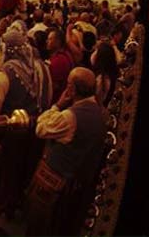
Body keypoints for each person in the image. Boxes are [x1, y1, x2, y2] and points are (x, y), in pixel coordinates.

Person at [27, 67, 108, 236]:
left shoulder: (70, 116)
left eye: (69, 84)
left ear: (72, 89)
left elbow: (41, 129)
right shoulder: (100, 113)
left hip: (54, 183)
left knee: (39, 226)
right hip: (77, 184)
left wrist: (57, 105)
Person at [0, 29, 52, 218]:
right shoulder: (43, 68)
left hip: (11, 132)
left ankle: (5, 206)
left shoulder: (4, 74)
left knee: (8, 171)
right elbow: (48, 98)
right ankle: (22, 202)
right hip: (36, 129)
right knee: (27, 169)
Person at [46, 28, 75, 102]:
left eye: (50, 39)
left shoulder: (59, 60)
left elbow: (55, 85)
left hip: (57, 99)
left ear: (58, 42)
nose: (47, 41)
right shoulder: (65, 54)